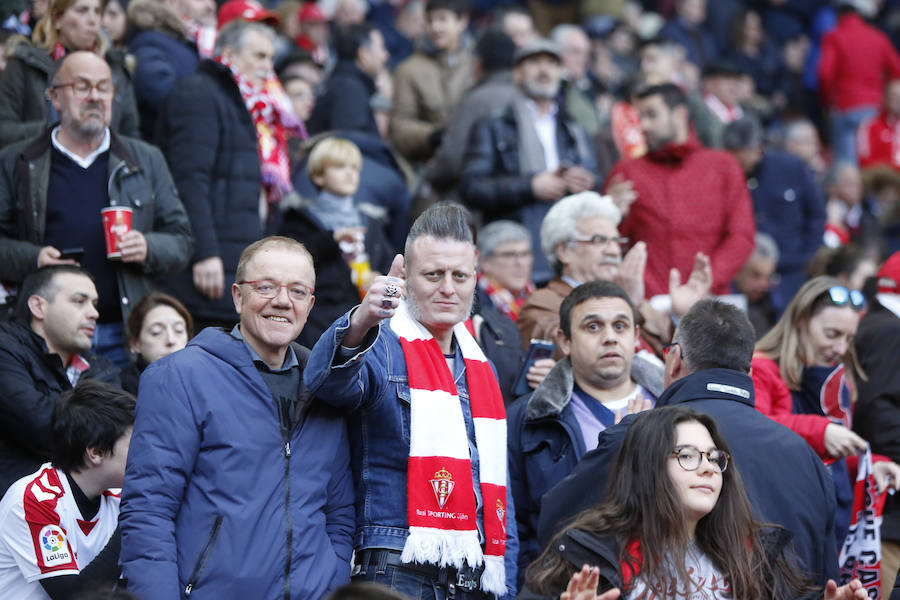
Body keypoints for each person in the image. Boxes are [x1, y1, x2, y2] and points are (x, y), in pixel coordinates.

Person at [539, 299, 840, 586]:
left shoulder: (640, 439)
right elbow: (826, 577)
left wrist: (619, 438)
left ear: (673, 360)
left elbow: (556, 529)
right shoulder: (806, 456)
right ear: (748, 373)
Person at [119, 236, 354, 600]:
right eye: (265, 287)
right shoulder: (180, 376)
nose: (281, 301)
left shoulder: (327, 385)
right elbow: (148, 510)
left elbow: (338, 515)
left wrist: (331, 584)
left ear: (310, 304)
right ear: (237, 296)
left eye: (297, 291)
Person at [304, 203, 518, 598]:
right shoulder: (381, 342)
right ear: (405, 277)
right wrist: (362, 321)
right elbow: (326, 382)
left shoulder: (482, 364)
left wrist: (507, 583)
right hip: (397, 567)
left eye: (460, 275)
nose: (448, 288)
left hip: (477, 574)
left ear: (476, 279)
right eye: (433, 275)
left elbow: (498, 493)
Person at [527, 406, 868, 600]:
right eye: (687, 455)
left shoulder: (756, 552)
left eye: (713, 456)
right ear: (648, 467)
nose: (707, 467)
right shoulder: (586, 552)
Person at [0, 50, 193, 365]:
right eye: (82, 87)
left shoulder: (146, 159)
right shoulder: (16, 161)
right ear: (54, 97)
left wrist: (147, 246)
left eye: (104, 88)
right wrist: (34, 258)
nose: (95, 97)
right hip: (48, 336)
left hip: (125, 332)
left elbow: (182, 240)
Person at [507, 280, 660, 585]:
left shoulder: (673, 406)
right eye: (593, 327)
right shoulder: (529, 417)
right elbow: (514, 523)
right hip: (564, 583)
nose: (609, 338)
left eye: (620, 326)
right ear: (564, 341)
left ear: (636, 336)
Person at [155, 20, 296, 331]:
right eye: (259, 56)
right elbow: (189, 180)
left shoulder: (243, 106)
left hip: (232, 265)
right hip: (205, 270)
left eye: (271, 59)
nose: (267, 68)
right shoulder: (200, 94)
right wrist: (204, 253)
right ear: (229, 54)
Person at [752, 276, 900, 547]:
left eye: (849, 338)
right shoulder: (761, 368)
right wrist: (822, 431)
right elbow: (751, 429)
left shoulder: (839, 379)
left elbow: (833, 457)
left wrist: (871, 462)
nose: (841, 348)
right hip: (775, 523)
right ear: (800, 320)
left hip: (828, 527)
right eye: (832, 335)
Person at [460, 38, 597, 284]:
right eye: (534, 62)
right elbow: (473, 187)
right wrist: (531, 186)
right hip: (513, 250)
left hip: (567, 247)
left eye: (552, 63)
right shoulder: (493, 125)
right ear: (517, 73)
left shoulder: (573, 128)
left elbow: (596, 178)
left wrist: (585, 181)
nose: (544, 70)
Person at [517, 191, 710, 359]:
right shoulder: (541, 304)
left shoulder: (636, 300)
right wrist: (627, 304)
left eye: (616, 241)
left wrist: (683, 316)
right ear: (565, 251)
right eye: (599, 240)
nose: (613, 251)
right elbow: (574, 355)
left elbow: (677, 358)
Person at [606, 82, 755, 297]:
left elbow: (741, 236)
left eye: (652, 115)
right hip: (647, 308)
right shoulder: (626, 171)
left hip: (709, 302)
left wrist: (706, 281)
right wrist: (610, 214)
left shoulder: (723, 167)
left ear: (679, 115)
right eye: (640, 117)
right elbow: (610, 243)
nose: (643, 125)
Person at [0, 380, 134, 600]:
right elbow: (73, 597)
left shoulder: (119, 496)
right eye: (134, 445)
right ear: (96, 453)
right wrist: (132, 522)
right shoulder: (33, 499)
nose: (145, 453)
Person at [0, 265, 121, 496]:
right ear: (38, 306)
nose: (94, 313)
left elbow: (117, 438)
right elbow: (36, 423)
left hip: (88, 513)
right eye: (79, 301)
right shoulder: (5, 348)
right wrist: (95, 436)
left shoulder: (103, 369)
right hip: (17, 508)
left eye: (94, 304)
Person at [280, 137, 393, 347]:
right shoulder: (300, 219)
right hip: (316, 321)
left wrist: (380, 279)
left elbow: (388, 263)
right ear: (318, 175)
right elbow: (288, 264)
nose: (350, 173)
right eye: (340, 167)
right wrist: (332, 239)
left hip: (363, 321)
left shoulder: (372, 221)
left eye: (354, 168)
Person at [0, 0, 140, 148]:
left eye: (97, 11)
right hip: (39, 166)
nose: (93, 20)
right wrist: (58, 131)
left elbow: (130, 136)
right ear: (57, 19)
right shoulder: (26, 64)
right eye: (82, 10)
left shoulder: (115, 69)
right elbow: (4, 130)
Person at [722, 116, 825, 310]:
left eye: (741, 159)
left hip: (791, 271)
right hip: (744, 279)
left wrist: (807, 254)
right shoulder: (722, 176)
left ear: (757, 150)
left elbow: (816, 214)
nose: (736, 166)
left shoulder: (790, 168)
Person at [427, 28, 519, 198]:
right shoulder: (525, 96)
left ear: (478, 62)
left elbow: (451, 159)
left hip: (479, 202)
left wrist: (431, 173)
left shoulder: (476, 100)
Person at [389, 0, 474, 163]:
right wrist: (434, 135)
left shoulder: (477, 63)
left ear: (463, 21)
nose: (435, 27)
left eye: (443, 19)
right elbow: (399, 128)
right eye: (430, 20)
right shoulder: (408, 70)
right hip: (432, 164)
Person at [818, 0, 900, 164]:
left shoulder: (834, 36)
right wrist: (886, 94)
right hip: (874, 107)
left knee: (846, 163)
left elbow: (824, 74)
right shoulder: (878, 37)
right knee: (873, 160)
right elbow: (896, 69)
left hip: (844, 107)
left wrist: (828, 101)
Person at [125, 0, 214, 140]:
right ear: (171, 2)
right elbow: (159, 93)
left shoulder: (185, 43)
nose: (210, 6)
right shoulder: (151, 42)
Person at [307, 23, 388, 137]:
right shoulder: (349, 90)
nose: (385, 55)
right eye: (381, 48)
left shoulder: (345, 83)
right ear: (363, 54)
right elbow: (349, 146)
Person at [120, 292, 192, 395]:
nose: (171, 340)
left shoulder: (206, 379)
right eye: (156, 332)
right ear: (135, 343)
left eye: (179, 330)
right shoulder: (122, 391)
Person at [475, 220, 534, 325]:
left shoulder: (537, 297)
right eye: (509, 255)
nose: (520, 262)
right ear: (484, 261)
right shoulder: (474, 304)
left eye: (525, 254)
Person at [732, 232, 779, 340]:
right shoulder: (720, 299)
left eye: (768, 277)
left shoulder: (772, 305)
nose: (763, 284)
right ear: (738, 270)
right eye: (755, 275)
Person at [858, 78, 900, 173]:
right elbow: (864, 159)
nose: (898, 100)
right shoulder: (870, 125)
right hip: (881, 179)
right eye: (894, 96)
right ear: (885, 98)